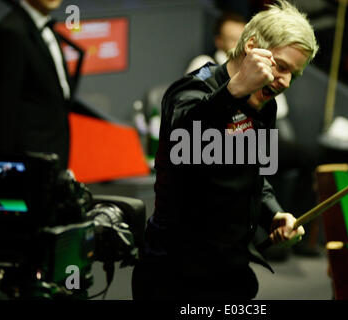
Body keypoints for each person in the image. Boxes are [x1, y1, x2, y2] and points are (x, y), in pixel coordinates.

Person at [132, 0, 319, 300]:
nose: (284, 81)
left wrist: (274, 214)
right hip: (175, 273)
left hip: (231, 271)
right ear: (252, 47)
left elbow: (256, 176)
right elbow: (186, 144)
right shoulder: (191, 91)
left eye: (292, 76)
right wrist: (234, 91)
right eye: (281, 67)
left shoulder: (264, 106)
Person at [0, 0, 77, 169]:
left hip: (53, 158)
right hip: (28, 165)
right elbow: (5, 108)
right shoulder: (12, 32)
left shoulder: (46, 28)